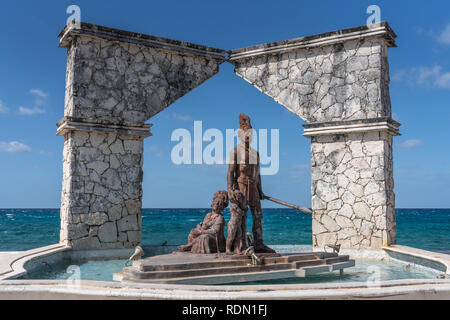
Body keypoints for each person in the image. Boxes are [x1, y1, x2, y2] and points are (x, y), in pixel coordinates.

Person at [227, 114, 275, 253]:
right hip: (241, 186)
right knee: (241, 216)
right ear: (240, 135)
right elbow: (230, 172)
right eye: (245, 133)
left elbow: (257, 174)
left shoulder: (256, 154)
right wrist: (230, 189)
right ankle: (240, 244)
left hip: (253, 187)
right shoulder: (235, 152)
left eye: (250, 133)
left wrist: (261, 191)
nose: (248, 136)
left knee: (258, 216)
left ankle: (259, 243)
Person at [226, 189, 247, 255]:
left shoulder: (238, 206)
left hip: (238, 223)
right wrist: (244, 210)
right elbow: (241, 213)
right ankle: (227, 249)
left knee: (238, 236)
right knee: (231, 237)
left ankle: (237, 249)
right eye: (237, 195)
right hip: (233, 223)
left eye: (239, 195)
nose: (238, 196)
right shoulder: (234, 205)